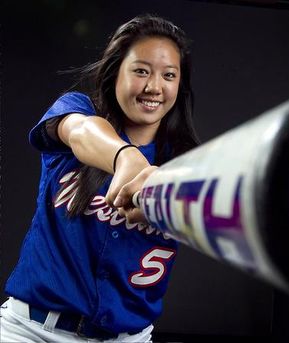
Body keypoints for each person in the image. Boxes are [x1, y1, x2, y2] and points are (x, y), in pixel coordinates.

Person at [1, 13, 199, 342]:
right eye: (140, 71)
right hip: (31, 331)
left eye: (169, 75)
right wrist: (125, 157)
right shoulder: (76, 109)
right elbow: (80, 131)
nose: (154, 86)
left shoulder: (187, 164)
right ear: (115, 73)